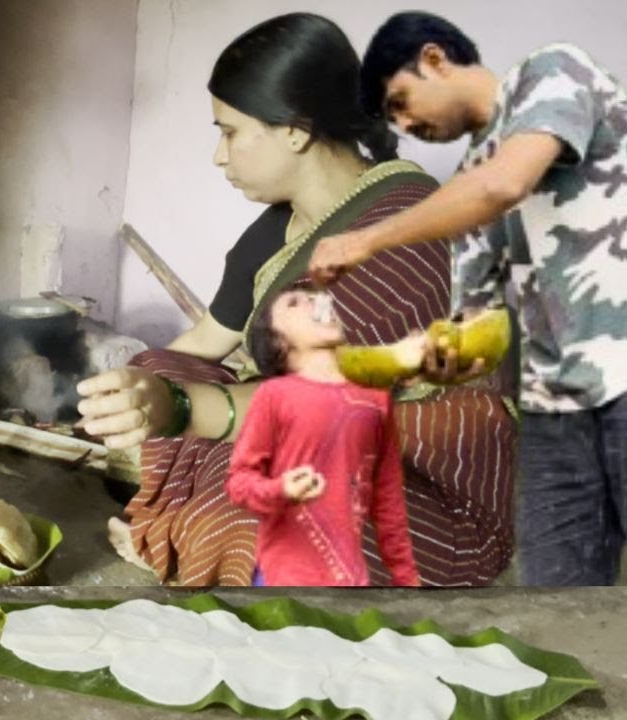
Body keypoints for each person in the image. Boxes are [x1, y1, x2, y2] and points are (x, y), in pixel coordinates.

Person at [77, 12, 516, 586]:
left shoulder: (404, 234)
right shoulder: (280, 228)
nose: (218, 155)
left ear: (294, 129)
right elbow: (205, 342)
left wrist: (180, 407)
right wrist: (118, 403)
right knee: (157, 366)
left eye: (229, 131)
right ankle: (196, 531)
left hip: (423, 481)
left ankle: (216, 546)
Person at [307, 12, 627, 585]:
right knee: (557, 601)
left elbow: (507, 183)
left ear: (434, 58)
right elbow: (478, 330)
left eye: (402, 101)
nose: (405, 125)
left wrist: (367, 240)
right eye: (392, 120)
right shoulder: (467, 183)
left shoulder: (552, 69)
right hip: (554, 409)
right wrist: (428, 359)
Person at [227, 288, 419, 586]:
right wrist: (280, 490)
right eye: (294, 302)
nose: (316, 301)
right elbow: (239, 483)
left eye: (314, 296)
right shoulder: (274, 396)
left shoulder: (375, 398)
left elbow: (389, 497)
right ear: (280, 342)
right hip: (282, 575)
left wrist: (406, 578)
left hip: (348, 577)